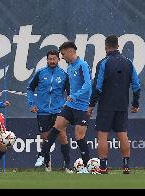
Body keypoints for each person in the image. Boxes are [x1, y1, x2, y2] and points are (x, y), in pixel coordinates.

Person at [88, 35, 141, 174]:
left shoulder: (103, 63)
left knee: (102, 136)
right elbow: (136, 86)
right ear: (118, 46)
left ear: (106, 47)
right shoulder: (128, 62)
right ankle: (126, 166)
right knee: (123, 134)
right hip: (122, 105)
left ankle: (104, 166)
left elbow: (98, 87)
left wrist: (91, 105)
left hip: (106, 105)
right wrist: (135, 103)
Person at [40, 41, 92, 169]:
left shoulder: (83, 65)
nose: (62, 57)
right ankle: (42, 155)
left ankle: (87, 166)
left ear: (70, 51)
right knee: (57, 126)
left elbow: (88, 85)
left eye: (63, 54)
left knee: (79, 137)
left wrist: (74, 96)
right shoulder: (69, 67)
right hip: (70, 106)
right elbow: (72, 88)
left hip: (82, 107)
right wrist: (68, 101)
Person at [27, 50, 72, 173]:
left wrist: (66, 107)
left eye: (54, 59)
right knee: (46, 139)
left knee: (63, 136)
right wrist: (31, 104)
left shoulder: (64, 74)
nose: (52, 61)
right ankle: (47, 166)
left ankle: (67, 166)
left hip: (58, 111)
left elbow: (69, 94)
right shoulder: (40, 73)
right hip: (43, 111)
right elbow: (30, 88)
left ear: (58, 60)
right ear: (47, 60)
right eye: (50, 59)